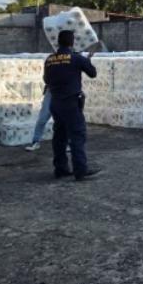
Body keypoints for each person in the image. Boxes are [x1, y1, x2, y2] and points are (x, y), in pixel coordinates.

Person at [43, 30, 100, 181]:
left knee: (59, 137)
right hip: (71, 103)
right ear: (72, 42)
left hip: (55, 103)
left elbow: (46, 80)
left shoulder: (49, 60)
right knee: (77, 135)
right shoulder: (76, 58)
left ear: (59, 42)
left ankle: (60, 169)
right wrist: (86, 61)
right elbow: (93, 73)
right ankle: (80, 170)